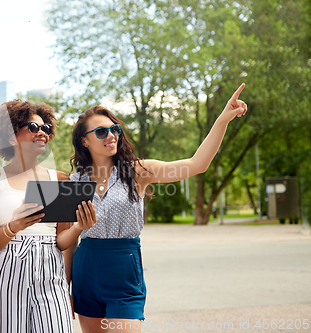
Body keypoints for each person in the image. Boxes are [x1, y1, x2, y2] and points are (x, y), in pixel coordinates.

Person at [70, 84, 248, 333]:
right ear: (84, 140)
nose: (111, 135)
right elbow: (68, 239)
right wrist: (64, 285)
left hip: (123, 268)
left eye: (115, 129)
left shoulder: (138, 170)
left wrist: (223, 119)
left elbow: (197, 164)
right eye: (101, 131)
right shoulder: (75, 181)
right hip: (86, 269)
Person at [0, 99, 96, 333]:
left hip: (51, 273)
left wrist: (78, 228)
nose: (42, 133)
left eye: (46, 128)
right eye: (33, 127)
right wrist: (14, 226)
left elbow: (61, 240)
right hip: (6, 272)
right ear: (11, 135)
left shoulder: (61, 179)